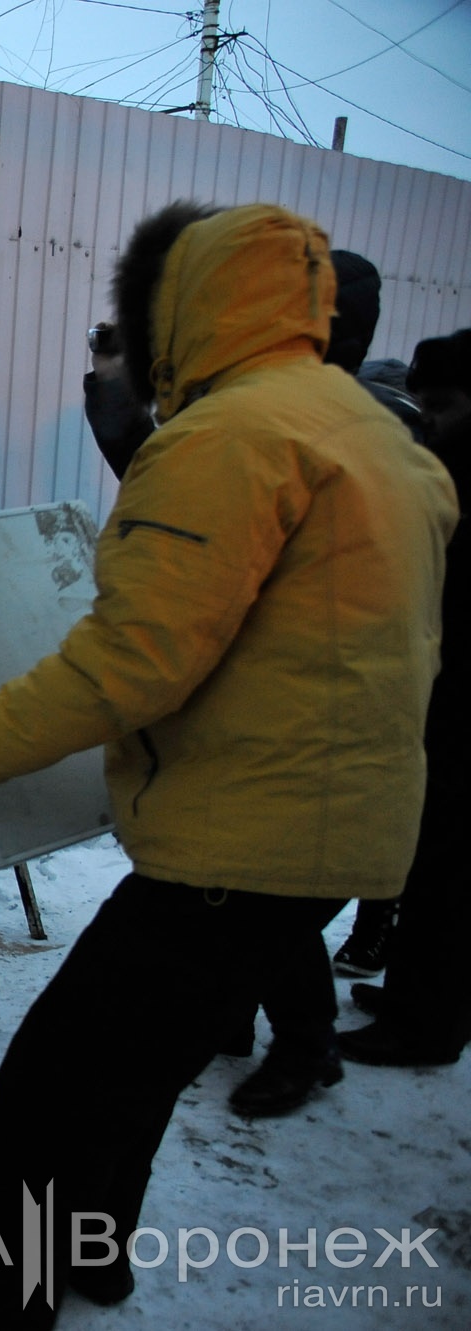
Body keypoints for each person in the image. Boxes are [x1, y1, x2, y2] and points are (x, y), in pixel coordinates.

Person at [0, 202, 455, 1330]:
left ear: (180, 308)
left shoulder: (224, 437)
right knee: (136, 1069)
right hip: (329, 831)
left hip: (240, 836)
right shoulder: (372, 429)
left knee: (51, 1089)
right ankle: (94, 1253)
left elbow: (128, 663)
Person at [80, 245, 423, 1115]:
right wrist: (122, 397)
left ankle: (306, 1048)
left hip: (324, 722)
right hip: (260, 712)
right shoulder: (266, 414)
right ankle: (229, 1017)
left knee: (270, 894)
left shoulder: (365, 427)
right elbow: (187, 508)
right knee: (245, 897)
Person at [338, 327, 471, 1068]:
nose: (431, 422)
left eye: (443, 406)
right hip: (437, 694)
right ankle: (414, 993)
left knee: (450, 870)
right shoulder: (444, 467)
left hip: (459, 705)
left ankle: (428, 1024)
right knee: (427, 856)